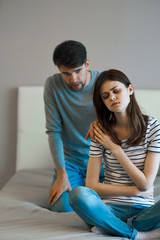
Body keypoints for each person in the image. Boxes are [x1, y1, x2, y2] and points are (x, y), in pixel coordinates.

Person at [69, 69, 160, 240]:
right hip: (108, 209)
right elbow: (91, 185)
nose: (111, 97)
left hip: (144, 212)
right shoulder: (100, 131)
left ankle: (112, 227)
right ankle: (137, 235)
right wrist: (133, 191)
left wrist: (116, 149)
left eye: (116, 91)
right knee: (77, 194)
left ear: (130, 90)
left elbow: (146, 183)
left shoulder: (152, 126)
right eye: (105, 96)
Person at [44, 40, 103, 212]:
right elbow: (53, 131)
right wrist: (61, 173)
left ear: (87, 63)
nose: (74, 79)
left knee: (115, 205)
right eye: (66, 73)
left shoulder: (103, 82)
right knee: (62, 208)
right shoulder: (52, 85)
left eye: (78, 71)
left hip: (103, 162)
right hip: (71, 164)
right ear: (59, 70)